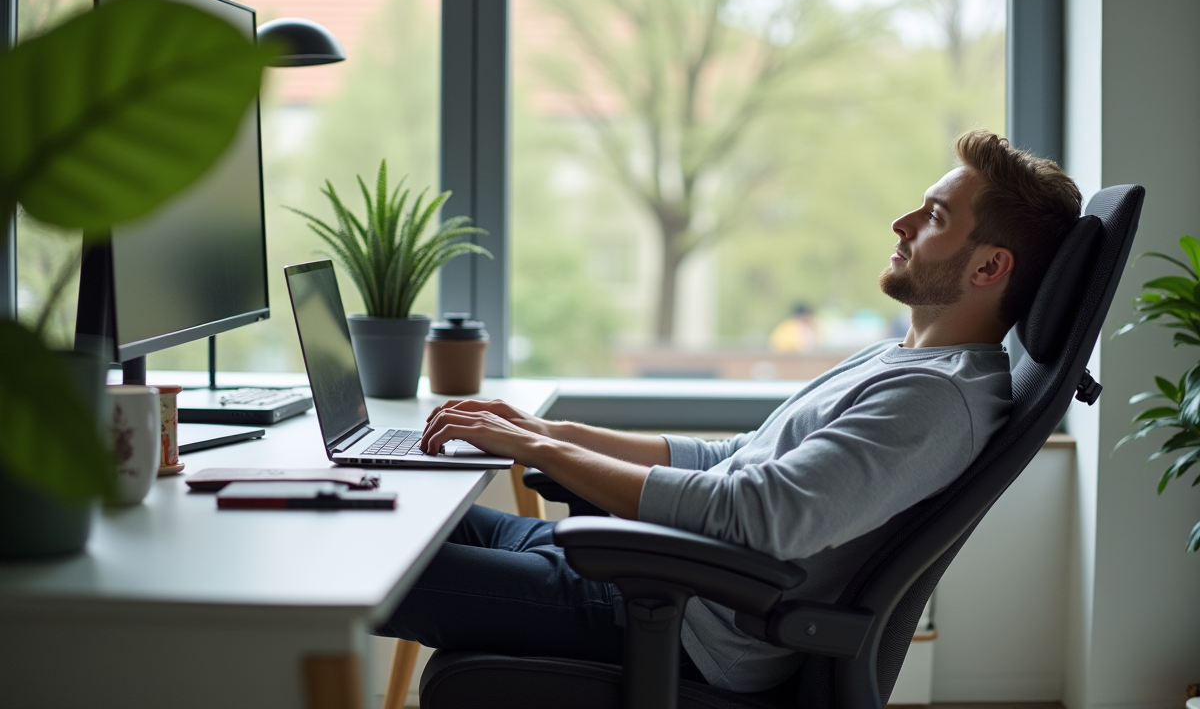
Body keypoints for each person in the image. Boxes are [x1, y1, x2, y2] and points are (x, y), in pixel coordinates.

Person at [376, 131, 1084, 693]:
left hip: (677, 617)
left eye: (933, 217)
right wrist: (547, 431)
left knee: (370, 570)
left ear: (989, 268)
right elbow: (735, 459)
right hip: (648, 580)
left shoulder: (936, 399)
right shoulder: (897, 361)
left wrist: (547, 455)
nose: (901, 222)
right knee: (382, 505)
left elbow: (761, 513)